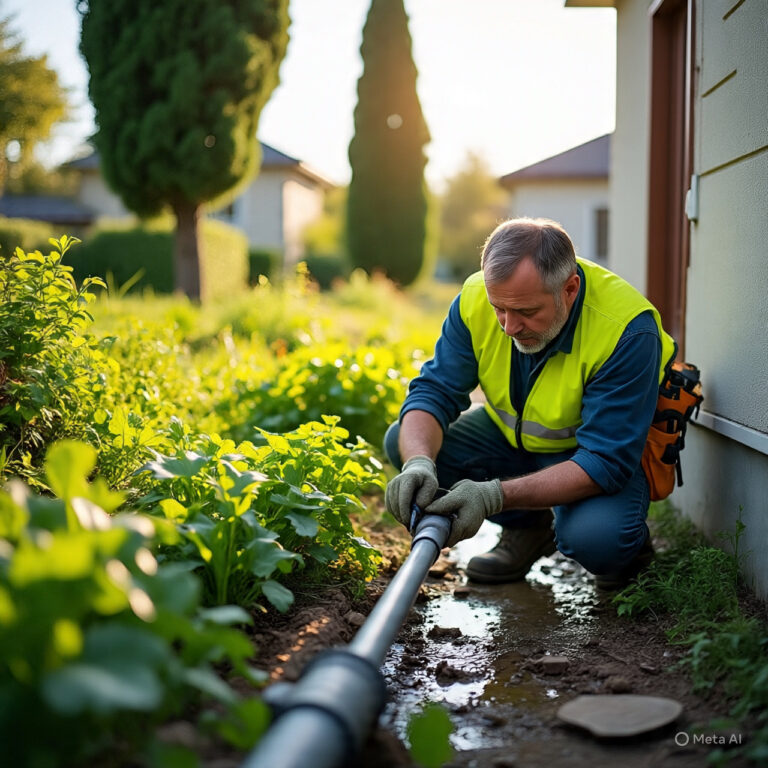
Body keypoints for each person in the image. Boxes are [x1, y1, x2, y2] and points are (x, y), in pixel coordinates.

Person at [383, 217, 676, 590]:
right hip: (511, 441)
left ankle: (630, 552)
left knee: (599, 540)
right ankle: (527, 531)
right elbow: (434, 391)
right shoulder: (476, 298)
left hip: (586, 458)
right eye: (499, 309)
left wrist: (492, 496)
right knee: (404, 440)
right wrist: (418, 463)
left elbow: (606, 461)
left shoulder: (626, 330)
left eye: (526, 312)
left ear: (569, 290)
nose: (508, 326)